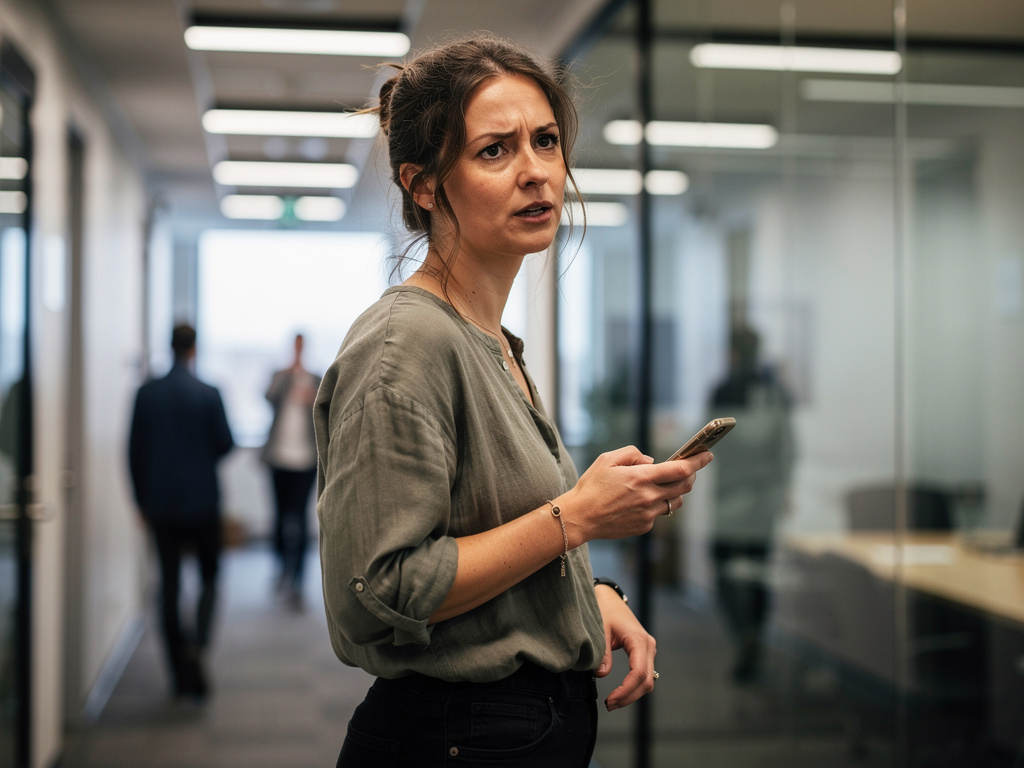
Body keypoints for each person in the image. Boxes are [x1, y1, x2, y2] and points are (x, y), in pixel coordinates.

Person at [313, 35, 714, 767]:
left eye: (546, 140)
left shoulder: (491, 341)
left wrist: (588, 594)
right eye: (494, 151)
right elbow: (377, 592)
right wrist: (579, 515)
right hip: (452, 734)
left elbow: (489, 541)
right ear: (425, 185)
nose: (536, 171)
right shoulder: (405, 346)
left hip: (518, 724)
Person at [128, 323, 234, 699]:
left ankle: (177, 668)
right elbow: (225, 444)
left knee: (169, 584)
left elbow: (134, 453)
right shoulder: (208, 393)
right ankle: (198, 645)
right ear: (194, 350)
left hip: (161, 504)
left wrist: (141, 501)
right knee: (209, 577)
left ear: (169, 346)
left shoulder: (146, 393)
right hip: (203, 501)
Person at [708, 324, 795, 683]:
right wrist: (781, 488)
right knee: (758, 572)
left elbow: (713, 442)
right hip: (762, 496)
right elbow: (786, 447)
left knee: (725, 566)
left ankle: (742, 634)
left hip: (732, 495)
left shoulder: (723, 389)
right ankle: (752, 635)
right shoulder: (774, 390)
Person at [262, 333, 321, 608]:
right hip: (278, 458)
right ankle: (281, 567)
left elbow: (327, 408)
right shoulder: (280, 375)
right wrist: (288, 375)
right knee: (279, 516)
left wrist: (312, 397)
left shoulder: (316, 379)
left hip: (306, 460)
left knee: (298, 518)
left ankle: (297, 577)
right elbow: (267, 397)